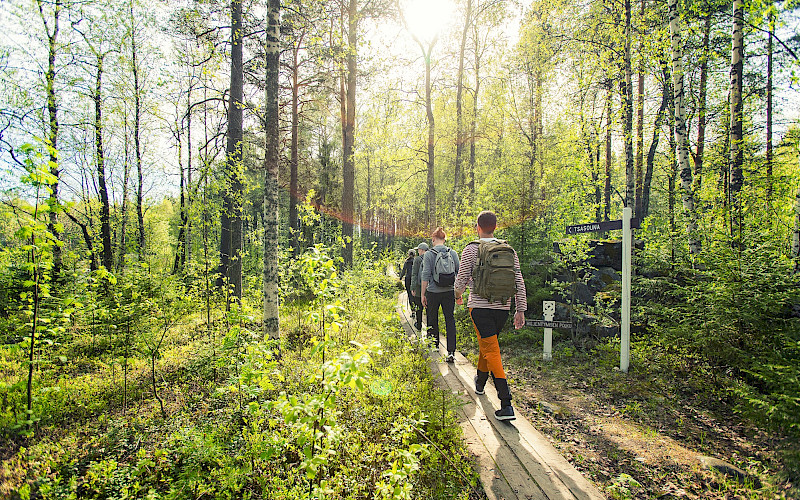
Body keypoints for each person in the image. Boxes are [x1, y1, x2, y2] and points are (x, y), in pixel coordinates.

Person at [454, 211, 527, 421]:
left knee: (491, 349)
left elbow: (460, 281)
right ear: (495, 227)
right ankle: (480, 382)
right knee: (488, 345)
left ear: (478, 226)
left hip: (479, 307)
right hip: (502, 308)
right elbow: (519, 281)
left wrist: (458, 297)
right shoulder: (508, 250)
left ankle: (506, 403)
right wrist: (520, 309)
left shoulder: (471, 248)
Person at [421, 227, 460, 363]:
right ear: (444, 239)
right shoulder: (453, 253)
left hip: (433, 291)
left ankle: (434, 346)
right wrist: (458, 292)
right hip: (449, 291)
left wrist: (423, 294)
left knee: (432, 318)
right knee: (450, 319)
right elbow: (458, 273)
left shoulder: (429, 255)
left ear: (433, 239)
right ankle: (451, 351)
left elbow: (425, 275)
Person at [410, 243, 428, 330]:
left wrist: (412, 288)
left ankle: (419, 324)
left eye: (418, 250)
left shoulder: (417, 260)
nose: (418, 251)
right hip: (429, 287)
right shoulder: (431, 257)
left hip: (419, 287)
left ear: (421, 250)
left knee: (419, 307)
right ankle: (429, 327)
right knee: (428, 308)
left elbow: (414, 274)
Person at [399, 249, 416, 315]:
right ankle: (416, 309)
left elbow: (403, 271)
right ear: (414, 254)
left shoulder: (407, 261)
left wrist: (400, 277)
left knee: (409, 294)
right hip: (414, 279)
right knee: (415, 294)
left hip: (408, 279)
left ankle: (412, 310)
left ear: (409, 254)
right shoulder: (416, 261)